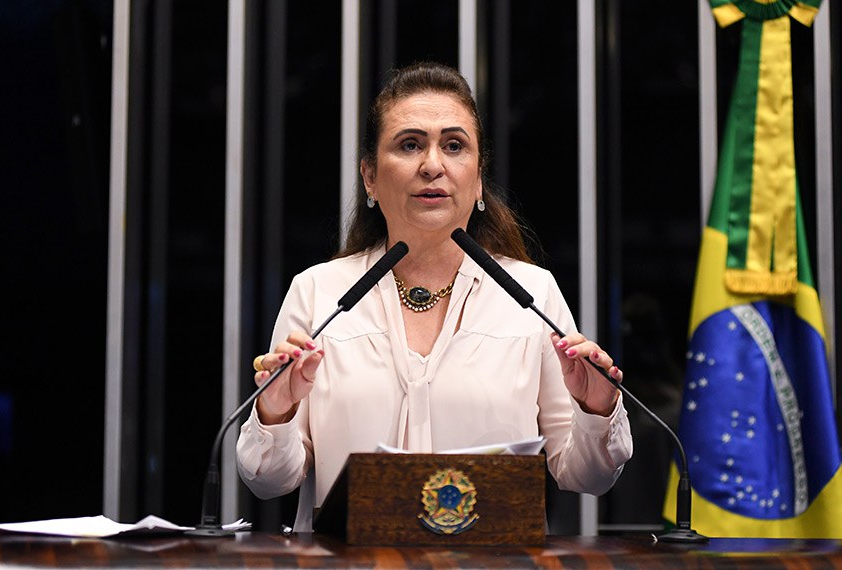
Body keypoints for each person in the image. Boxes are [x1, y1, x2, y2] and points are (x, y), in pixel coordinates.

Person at [237, 61, 633, 532]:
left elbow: (588, 476)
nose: (432, 165)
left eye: (454, 145)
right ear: (369, 176)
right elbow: (268, 481)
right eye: (410, 145)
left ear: (479, 178)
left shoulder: (532, 294)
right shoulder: (319, 292)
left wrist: (596, 407)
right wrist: (276, 410)